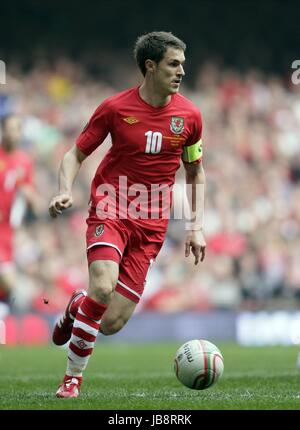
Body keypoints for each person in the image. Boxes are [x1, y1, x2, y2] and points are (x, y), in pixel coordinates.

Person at [49, 31, 206, 398]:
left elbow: (195, 172)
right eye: (173, 63)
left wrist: (196, 227)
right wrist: (63, 189)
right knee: (102, 287)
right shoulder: (115, 109)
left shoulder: (191, 116)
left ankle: (76, 305)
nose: (182, 71)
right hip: (112, 207)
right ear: (150, 67)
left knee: (112, 323)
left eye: (183, 63)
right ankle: (72, 379)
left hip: (152, 225)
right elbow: (75, 154)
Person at [0, 114, 37, 314]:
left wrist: (30, 197)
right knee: (11, 283)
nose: (12, 133)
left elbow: (31, 200)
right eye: (9, 129)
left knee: (12, 286)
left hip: (11, 231)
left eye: (16, 129)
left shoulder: (25, 162)